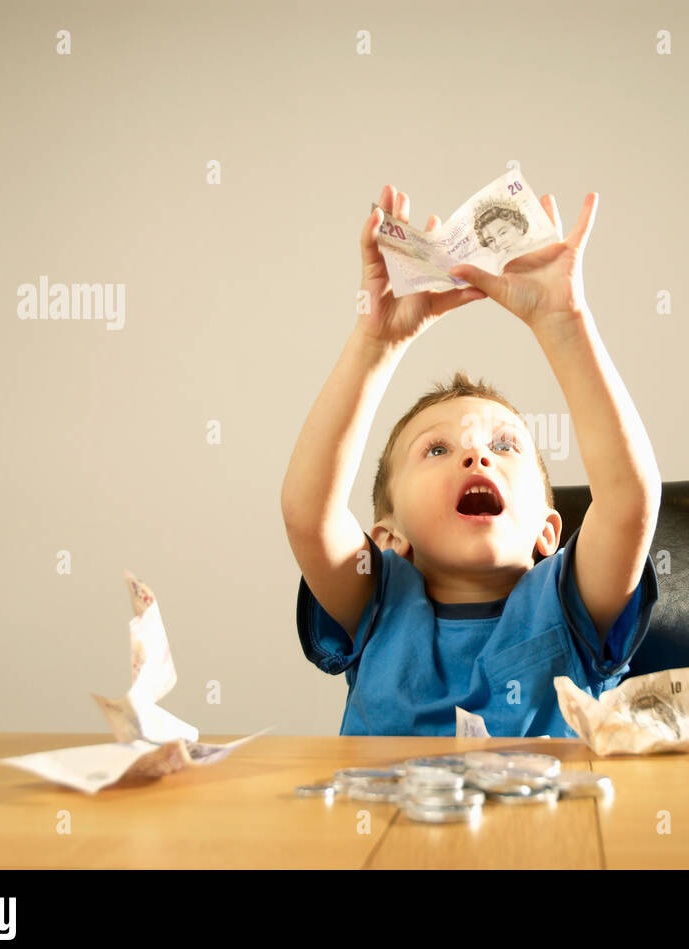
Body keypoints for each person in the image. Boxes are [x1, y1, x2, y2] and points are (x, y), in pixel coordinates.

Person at [280, 183, 662, 736]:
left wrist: (564, 323)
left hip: (541, 826)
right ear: (386, 539)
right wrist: (377, 342)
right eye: (437, 449)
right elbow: (306, 513)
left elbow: (629, 501)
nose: (477, 456)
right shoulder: (375, 598)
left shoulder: (570, 602)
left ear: (548, 532)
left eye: (504, 446)